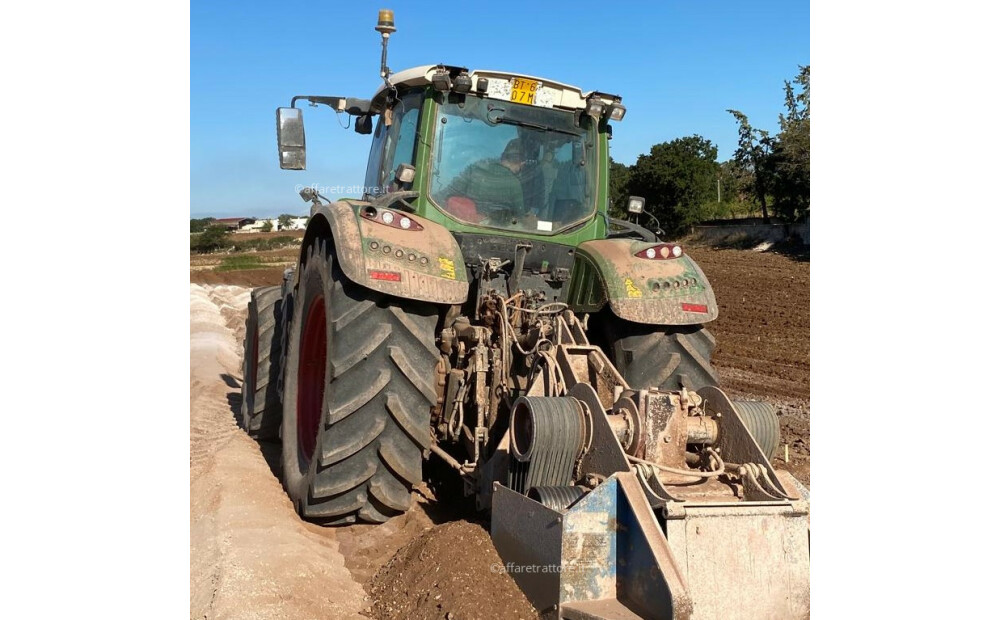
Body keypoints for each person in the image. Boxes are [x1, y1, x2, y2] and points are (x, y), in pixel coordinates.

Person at [442, 138, 527, 223]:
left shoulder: (475, 170)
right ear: (522, 163)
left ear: (502, 156)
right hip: (497, 230)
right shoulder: (514, 184)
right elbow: (521, 217)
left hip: (464, 224)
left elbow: (447, 192)